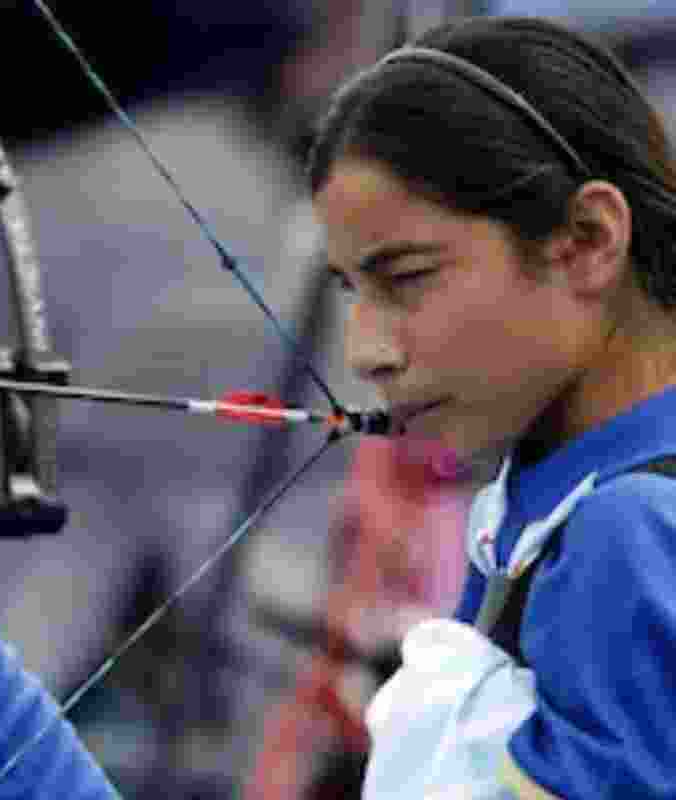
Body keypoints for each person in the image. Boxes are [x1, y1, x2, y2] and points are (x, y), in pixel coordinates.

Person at [310, 15, 676, 797]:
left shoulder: (626, 529)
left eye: (405, 276)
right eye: (350, 289)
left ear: (585, 238)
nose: (364, 350)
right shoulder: (548, 492)